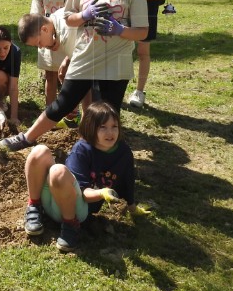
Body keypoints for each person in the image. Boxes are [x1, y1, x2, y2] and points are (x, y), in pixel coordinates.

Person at [0, 0, 148, 151]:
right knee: (63, 103)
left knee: (108, 113)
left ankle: (102, 155)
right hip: (85, 56)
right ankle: (27, 138)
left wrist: (120, 30)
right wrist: (85, 15)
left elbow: (143, 32)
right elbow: (68, 18)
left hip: (116, 60)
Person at [22, 102, 149, 252]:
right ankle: (34, 207)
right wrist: (102, 192)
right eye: (103, 127)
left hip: (77, 210)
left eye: (114, 126)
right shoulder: (82, 149)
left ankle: (70, 225)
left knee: (58, 171)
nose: (110, 133)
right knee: (40, 152)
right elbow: (83, 192)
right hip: (56, 201)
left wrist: (132, 207)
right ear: (90, 127)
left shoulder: (124, 152)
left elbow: (128, 180)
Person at [28, 0, 73, 109]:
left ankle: (70, 113)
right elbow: (36, 16)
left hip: (66, 40)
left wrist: (57, 39)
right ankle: (50, 112)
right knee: (50, 75)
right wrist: (45, 41)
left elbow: (72, 18)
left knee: (68, 76)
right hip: (45, 39)